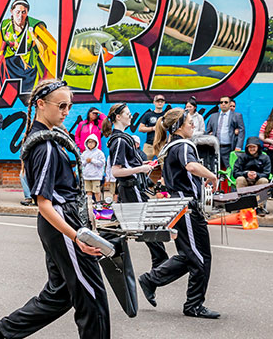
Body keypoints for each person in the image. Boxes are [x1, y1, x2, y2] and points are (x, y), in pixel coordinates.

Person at [0, 79, 130, 339]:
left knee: (60, 295)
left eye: (69, 106)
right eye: (60, 106)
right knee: (91, 295)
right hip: (62, 226)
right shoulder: (46, 145)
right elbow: (44, 203)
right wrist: (77, 236)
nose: (66, 111)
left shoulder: (46, 139)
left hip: (64, 224)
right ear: (40, 104)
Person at [138, 108, 220, 320]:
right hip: (187, 209)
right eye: (190, 122)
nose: (193, 125)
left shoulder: (171, 146)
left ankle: (151, 279)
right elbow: (191, 166)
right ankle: (193, 305)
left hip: (184, 208)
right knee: (199, 258)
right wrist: (212, 177)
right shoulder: (183, 145)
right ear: (178, 127)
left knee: (190, 255)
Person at [102, 103, 168, 270]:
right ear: (118, 117)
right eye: (127, 113)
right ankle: (160, 265)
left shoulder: (123, 138)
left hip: (130, 188)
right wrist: (141, 169)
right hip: (130, 188)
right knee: (147, 226)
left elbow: (126, 164)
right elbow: (116, 171)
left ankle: (105, 255)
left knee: (115, 228)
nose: (130, 116)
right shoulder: (119, 140)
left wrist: (144, 164)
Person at [0, 0, 57, 95]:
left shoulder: (34, 26)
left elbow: (48, 45)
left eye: (24, 12)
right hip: (10, 61)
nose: (20, 16)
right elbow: (3, 41)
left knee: (28, 84)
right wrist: (1, 54)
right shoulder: (5, 25)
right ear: (12, 11)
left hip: (28, 64)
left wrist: (35, 40)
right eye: (17, 12)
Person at [233, 137, 271, 215]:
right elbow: (235, 173)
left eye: (254, 147)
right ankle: (242, 206)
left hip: (258, 180)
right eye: (250, 147)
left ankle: (259, 208)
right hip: (245, 180)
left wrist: (257, 175)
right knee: (239, 179)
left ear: (258, 147)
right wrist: (246, 174)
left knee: (264, 180)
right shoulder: (242, 157)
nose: (252, 149)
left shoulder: (265, 157)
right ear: (247, 148)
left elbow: (267, 173)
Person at [206, 96, 246, 168]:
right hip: (215, 148)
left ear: (229, 103)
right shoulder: (213, 116)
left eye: (226, 102)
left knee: (230, 169)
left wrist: (238, 146)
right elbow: (208, 131)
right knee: (214, 168)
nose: (223, 104)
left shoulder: (236, 116)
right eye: (221, 102)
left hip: (229, 148)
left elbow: (242, 131)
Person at [138, 94, 167, 159]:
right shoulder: (148, 115)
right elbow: (140, 128)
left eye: (161, 101)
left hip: (162, 144)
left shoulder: (166, 115)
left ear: (164, 103)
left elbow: (171, 129)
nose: (160, 103)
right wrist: (152, 128)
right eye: (157, 101)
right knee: (145, 164)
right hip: (149, 145)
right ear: (154, 102)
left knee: (164, 165)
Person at [80, 134, 105, 202]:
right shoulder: (84, 153)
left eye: (92, 142)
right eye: (89, 142)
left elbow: (101, 163)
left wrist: (92, 161)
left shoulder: (99, 153)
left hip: (96, 176)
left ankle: (98, 203)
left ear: (96, 143)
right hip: (87, 176)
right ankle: (89, 205)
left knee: (97, 191)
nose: (90, 144)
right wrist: (86, 161)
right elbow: (81, 163)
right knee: (88, 191)